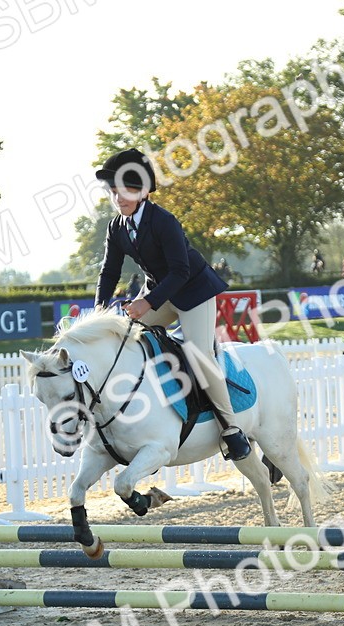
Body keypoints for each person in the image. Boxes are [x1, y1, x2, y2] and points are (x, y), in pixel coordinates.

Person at [94, 148, 251, 461]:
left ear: (141, 190)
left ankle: (232, 429)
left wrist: (146, 303)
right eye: (113, 193)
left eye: (124, 192)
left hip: (194, 291)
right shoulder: (117, 227)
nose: (118, 199)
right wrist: (97, 311)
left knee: (200, 353)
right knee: (129, 340)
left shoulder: (164, 221)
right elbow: (109, 271)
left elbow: (180, 271)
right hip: (162, 293)